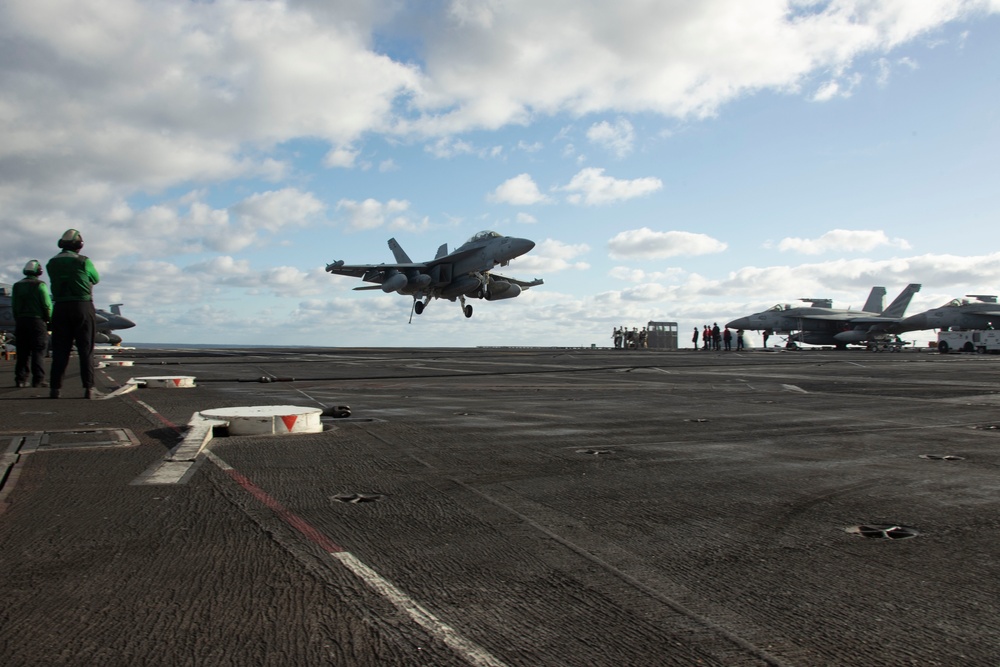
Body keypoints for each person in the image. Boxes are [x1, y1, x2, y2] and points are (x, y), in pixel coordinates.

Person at [46, 229, 100, 399]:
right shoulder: (84, 261)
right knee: (86, 350)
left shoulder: (51, 263)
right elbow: (96, 278)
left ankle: (55, 388)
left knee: (60, 350)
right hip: (82, 306)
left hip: (60, 308)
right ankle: (89, 388)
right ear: (79, 245)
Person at [11, 260, 52, 388]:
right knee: (38, 351)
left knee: (22, 352)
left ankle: (20, 379)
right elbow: (47, 304)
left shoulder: (17, 285)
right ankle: (38, 379)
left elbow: (15, 305)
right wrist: (49, 319)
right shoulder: (40, 285)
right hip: (37, 322)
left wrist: (18, 318)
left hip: (21, 322)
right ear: (39, 272)